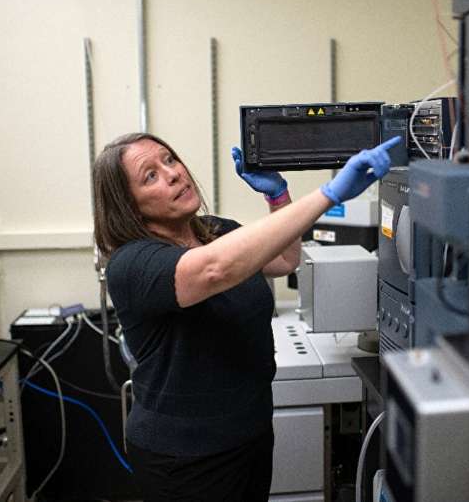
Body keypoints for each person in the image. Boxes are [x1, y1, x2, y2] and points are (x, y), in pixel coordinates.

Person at [92, 132, 399, 502]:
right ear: (129, 205)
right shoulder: (132, 263)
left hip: (249, 433)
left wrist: (278, 196)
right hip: (185, 457)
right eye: (150, 175)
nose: (173, 173)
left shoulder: (215, 230)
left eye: (169, 159)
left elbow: (284, 260)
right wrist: (329, 194)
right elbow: (214, 270)